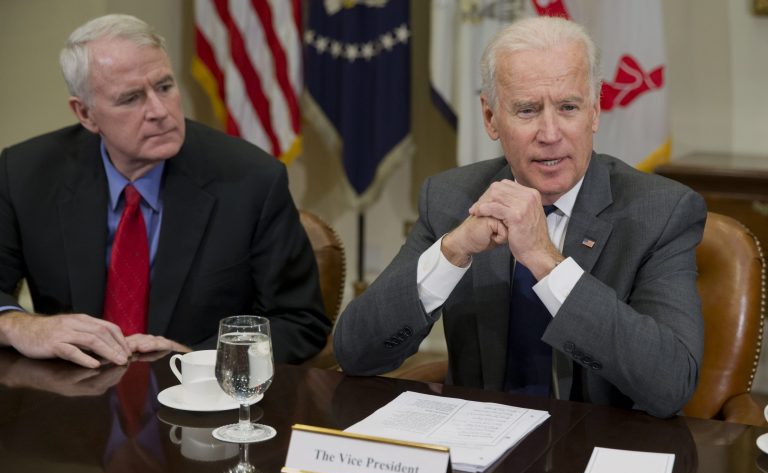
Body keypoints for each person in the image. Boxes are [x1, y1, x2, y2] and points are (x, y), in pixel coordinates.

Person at [333, 16, 706, 418]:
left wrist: (546, 260)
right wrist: (452, 251)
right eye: (527, 110)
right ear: (491, 118)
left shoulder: (662, 212)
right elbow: (356, 353)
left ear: (595, 111)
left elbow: (670, 385)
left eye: (568, 107)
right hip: (478, 452)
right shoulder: (450, 198)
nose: (550, 133)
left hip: (599, 451)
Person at [0, 14, 330, 369]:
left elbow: (300, 322)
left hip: (199, 400)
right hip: (72, 400)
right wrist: (22, 326)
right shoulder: (26, 174)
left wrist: (201, 361)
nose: (159, 111)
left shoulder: (252, 181)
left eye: (164, 87)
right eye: (130, 99)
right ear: (85, 114)